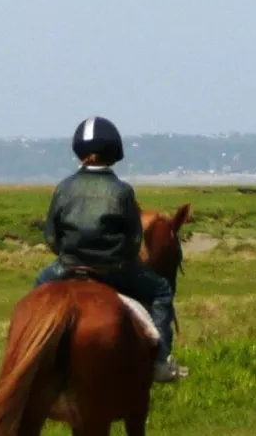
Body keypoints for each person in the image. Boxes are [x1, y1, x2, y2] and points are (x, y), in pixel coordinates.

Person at [35, 116, 187, 382]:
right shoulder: (122, 191)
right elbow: (133, 239)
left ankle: (33, 353)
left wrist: (69, 255)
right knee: (161, 290)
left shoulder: (64, 187)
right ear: (114, 154)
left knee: (37, 290)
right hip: (114, 269)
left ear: (80, 152)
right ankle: (161, 361)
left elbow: (51, 236)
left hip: (69, 266)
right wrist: (120, 257)